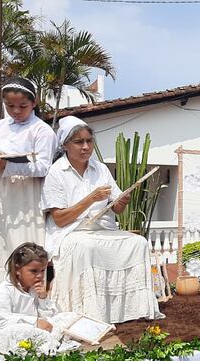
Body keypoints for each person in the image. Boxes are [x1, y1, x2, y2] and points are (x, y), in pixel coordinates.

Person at [41, 116, 163, 324]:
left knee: (138, 243)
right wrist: (91, 199)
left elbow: (115, 207)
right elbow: (60, 219)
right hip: (71, 233)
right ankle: (91, 313)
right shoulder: (56, 172)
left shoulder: (100, 169)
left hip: (104, 230)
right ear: (65, 145)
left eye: (89, 141)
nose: (86, 147)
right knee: (86, 247)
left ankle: (131, 310)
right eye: (79, 142)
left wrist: (122, 201)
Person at [0, 77, 57, 297]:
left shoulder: (41, 131)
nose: (16, 111)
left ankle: (32, 299)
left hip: (28, 195)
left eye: (22, 106)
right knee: (0, 244)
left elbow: (42, 167)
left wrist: (9, 166)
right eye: (9, 106)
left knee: (26, 242)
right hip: (2, 192)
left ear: (34, 103)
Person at [0, 243, 80, 361]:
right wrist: (34, 322)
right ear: (18, 269)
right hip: (9, 336)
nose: (39, 276)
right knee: (24, 330)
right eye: (34, 271)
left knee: (69, 317)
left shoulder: (33, 289)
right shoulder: (4, 291)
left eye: (42, 271)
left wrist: (43, 297)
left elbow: (49, 317)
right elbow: (2, 321)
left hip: (33, 332)